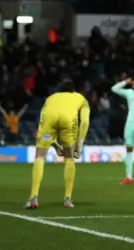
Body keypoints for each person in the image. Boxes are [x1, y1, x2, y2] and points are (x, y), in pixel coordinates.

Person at [25, 79, 90, 209]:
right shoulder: (80, 98)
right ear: (73, 90)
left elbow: (44, 121)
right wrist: (80, 144)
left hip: (49, 121)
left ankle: (33, 197)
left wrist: (55, 145)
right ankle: (67, 198)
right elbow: (84, 122)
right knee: (69, 158)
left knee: (40, 157)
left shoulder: (50, 98)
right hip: (68, 121)